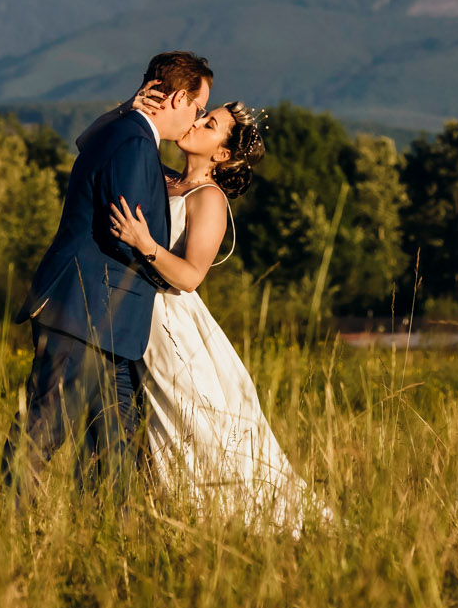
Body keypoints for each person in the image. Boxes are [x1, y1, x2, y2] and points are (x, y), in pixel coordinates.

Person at [107, 100, 331, 536]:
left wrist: (145, 243)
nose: (196, 123)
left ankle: (230, 524)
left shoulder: (208, 198)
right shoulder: (162, 179)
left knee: (195, 427)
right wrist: (131, 107)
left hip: (171, 323)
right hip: (135, 316)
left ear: (222, 154)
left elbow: (190, 277)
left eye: (209, 124)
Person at [1, 51, 213, 510]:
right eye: (197, 108)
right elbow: (125, 235)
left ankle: (105, 538)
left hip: (110, 320)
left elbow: (86, 145)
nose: (196, 119)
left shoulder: (124, 131)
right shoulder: (136, 141)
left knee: (116, 443)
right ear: (177, 97)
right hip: (87, 310)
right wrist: (161, 262)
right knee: (46, 424)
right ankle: (4, 523)